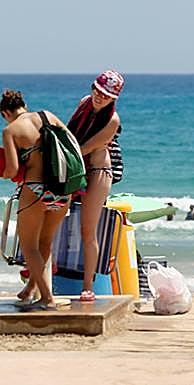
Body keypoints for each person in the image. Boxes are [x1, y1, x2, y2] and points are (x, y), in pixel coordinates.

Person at [1, 90, 72, 310]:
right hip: (62, 189)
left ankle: (48, 298)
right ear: (24, 105)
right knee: (44, 243)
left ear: (5, 113)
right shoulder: (48, 116)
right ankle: (31, 288)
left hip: (35, 191)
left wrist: (3, 173)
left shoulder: (10, 130)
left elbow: (12, 170)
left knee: (30, 247)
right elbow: (71, 145)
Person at [66, 70, 124, 302]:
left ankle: (88, 286)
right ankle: (37, 280)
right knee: (51, 221)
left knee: (87, 230)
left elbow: (86, 147)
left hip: (97, 172)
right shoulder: (83, 103)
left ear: (114, 99)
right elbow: (71, 134)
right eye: (98, 91)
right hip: (74, 167)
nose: (99, 96)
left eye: (106, 95)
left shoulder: (112, 120)